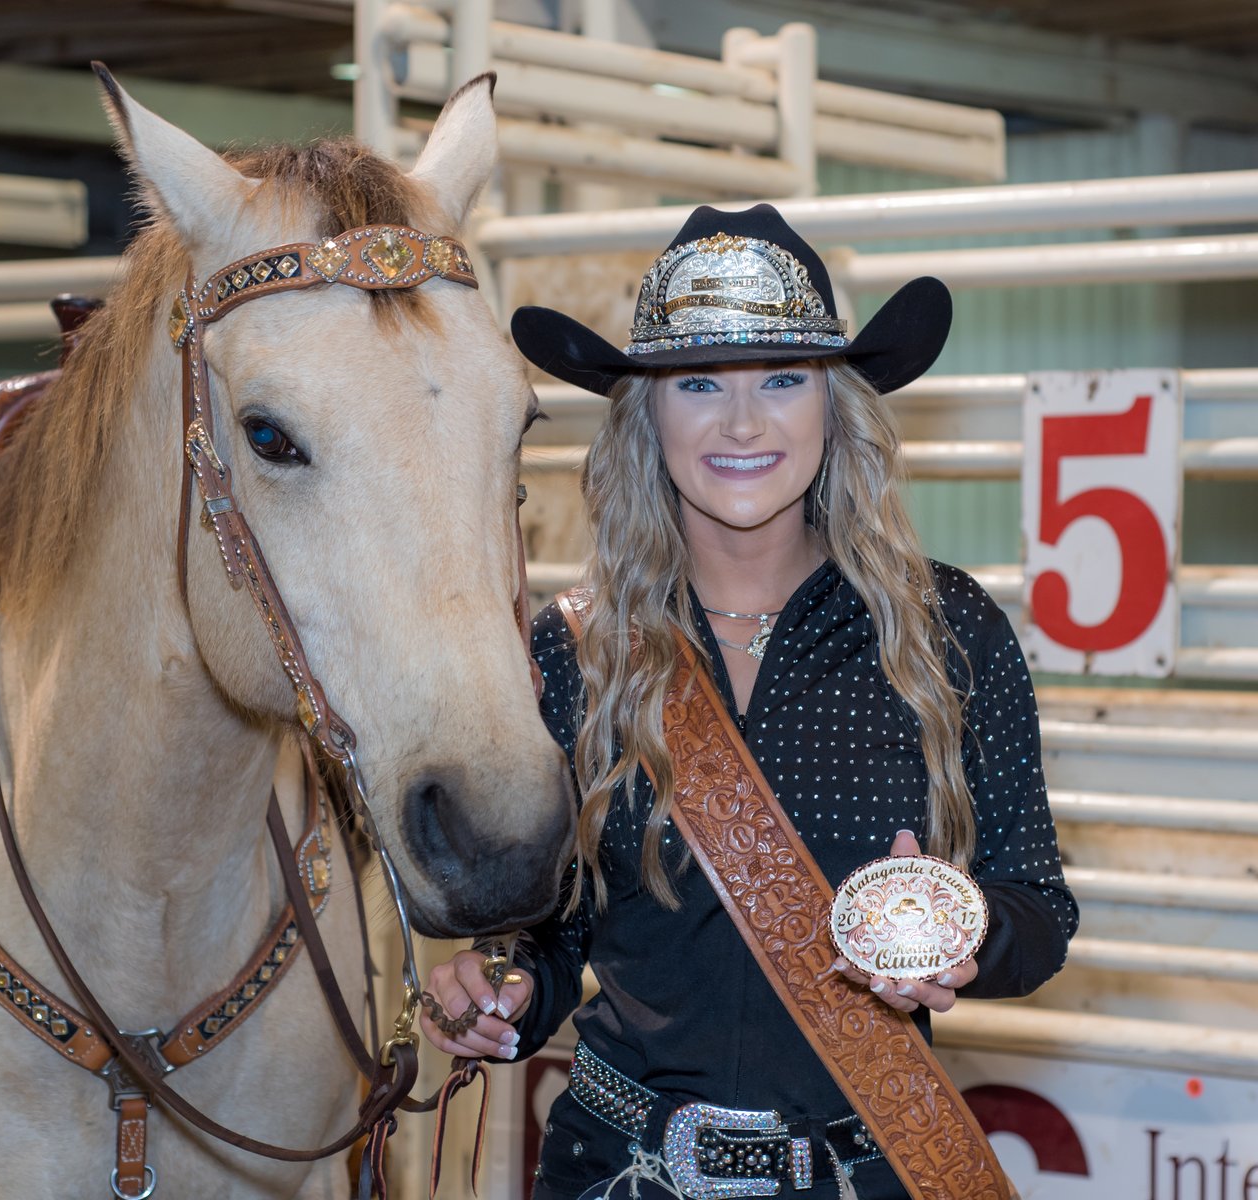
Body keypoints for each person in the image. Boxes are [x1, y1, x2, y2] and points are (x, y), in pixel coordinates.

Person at [419, 204, 1079, 1199]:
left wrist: (958, 936)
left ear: (833, 403)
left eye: (781, 379)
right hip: (613, 1170)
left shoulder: (949, 627)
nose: (740, 423)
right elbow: (553, 927)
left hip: (864, 1172)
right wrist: (502, 984)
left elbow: (1038, 912)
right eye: (697, 384)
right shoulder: (570, 647)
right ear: (647, 413)